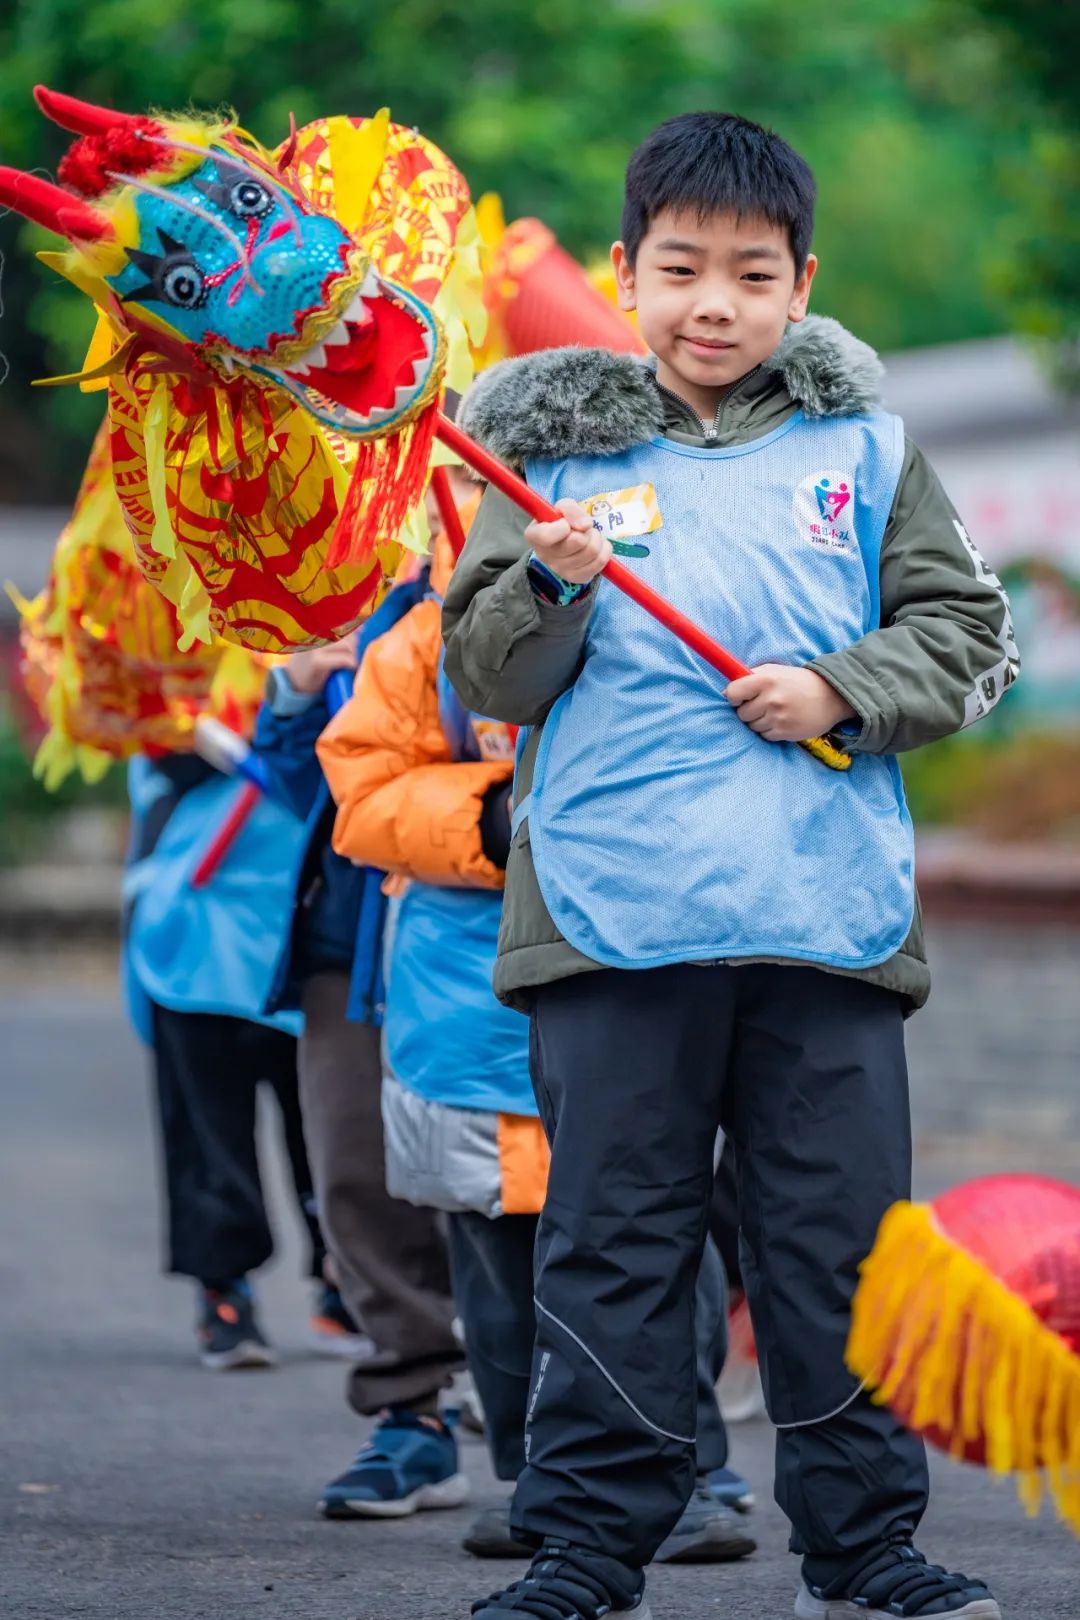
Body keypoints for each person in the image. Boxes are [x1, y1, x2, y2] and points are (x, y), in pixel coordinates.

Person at [442, 112, 1019, 1620]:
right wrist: (550, 587)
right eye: (681, 268)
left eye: (751, 276)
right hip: (614, 925)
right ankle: (582, 1550)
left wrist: (838, 689)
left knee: (836, 1256)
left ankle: (868, 1546)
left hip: (823, 928)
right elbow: (490, 678)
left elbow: (968, 641)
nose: (715, 304)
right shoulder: (550, 453)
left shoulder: (868, 452)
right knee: (612, 1250)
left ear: (800, 285)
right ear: (625, 272)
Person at [317, 527, 756, 1563]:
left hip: (631, 973)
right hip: (470, 1004)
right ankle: (539, 1480)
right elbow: (366, 794)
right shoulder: (420, 638)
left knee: (655, 1235)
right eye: (475, 484)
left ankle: (684, 1467)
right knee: (500, 1263)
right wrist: (496, 811)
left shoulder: (650, 611)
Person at [254, 556, 467, 1517]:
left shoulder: (566, 549)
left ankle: (613, 1434)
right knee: (356, 1167)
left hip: (499, 919)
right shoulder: (356, 588)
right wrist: (297, 691)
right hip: (358, 929)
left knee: (542, 1172)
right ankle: (410, 1411)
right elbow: (301, 785)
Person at [124, 752, 339, 1369]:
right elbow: (154, 750)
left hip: (310, 922)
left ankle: (347, 1282)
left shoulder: (366, 655)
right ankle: (224, 1291)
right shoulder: (162, 669)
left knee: (334, 1129)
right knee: (208, 1132)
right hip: (198, 929)